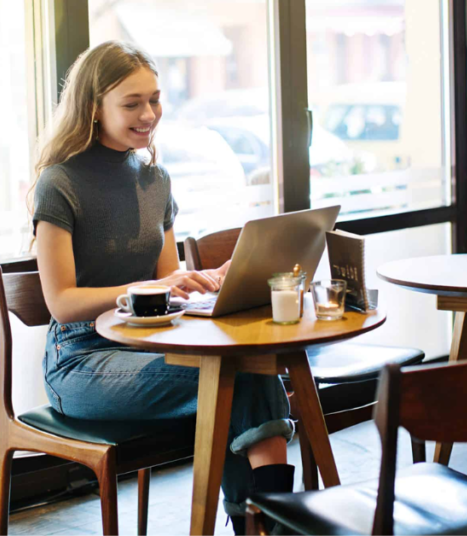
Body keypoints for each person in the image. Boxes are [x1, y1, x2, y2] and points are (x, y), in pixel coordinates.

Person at [28, 40, 294, 534]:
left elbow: (165, 291)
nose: (149, 114)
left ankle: (265, 525)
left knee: (246, 372)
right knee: (238, 378)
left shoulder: (156, 181)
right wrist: (152, 285)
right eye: (132, 103)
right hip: (81, 361)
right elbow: (62, 303)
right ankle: (270, 526)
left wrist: (212, 280)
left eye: (154, 99)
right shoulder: (59, 185)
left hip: (146, 345)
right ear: (92, 109)